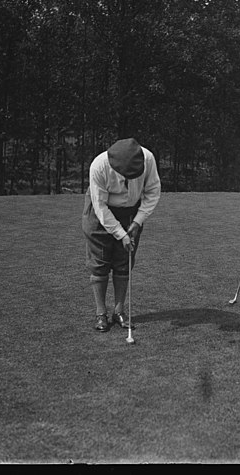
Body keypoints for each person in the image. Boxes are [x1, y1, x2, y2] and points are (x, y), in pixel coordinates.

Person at [83, 137, 161, 332]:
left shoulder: (148, 158)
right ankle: (101, 313)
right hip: (101, 211)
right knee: (99, 262)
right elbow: (100, 206)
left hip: (131, 212)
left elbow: (152, 191)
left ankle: (119, 311)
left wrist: (137, 221)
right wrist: (120, 233)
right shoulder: (98, 166)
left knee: (124, 260)